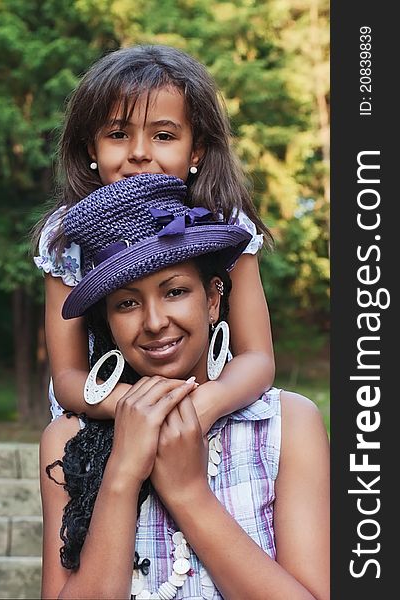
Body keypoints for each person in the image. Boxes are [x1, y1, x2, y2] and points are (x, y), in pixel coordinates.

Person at [39, 173, 330, 600]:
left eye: (174, 291)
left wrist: (188, 493)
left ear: (213, 300)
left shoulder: (285, 426)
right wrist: (122, 472)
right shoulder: (68, 439)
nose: (155, 322)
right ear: (110, 322)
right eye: (127, 303)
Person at [33, 44, 275, 433]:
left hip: (215, 410)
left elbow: (257, 358)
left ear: (195, 150)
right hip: (110, 417)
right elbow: (68, 377)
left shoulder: (226, 218)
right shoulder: (66, 237)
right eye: (117, 134)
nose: (140, 153)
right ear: (91, 147)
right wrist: (138, 409)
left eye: (163, 135)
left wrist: (202, 405)